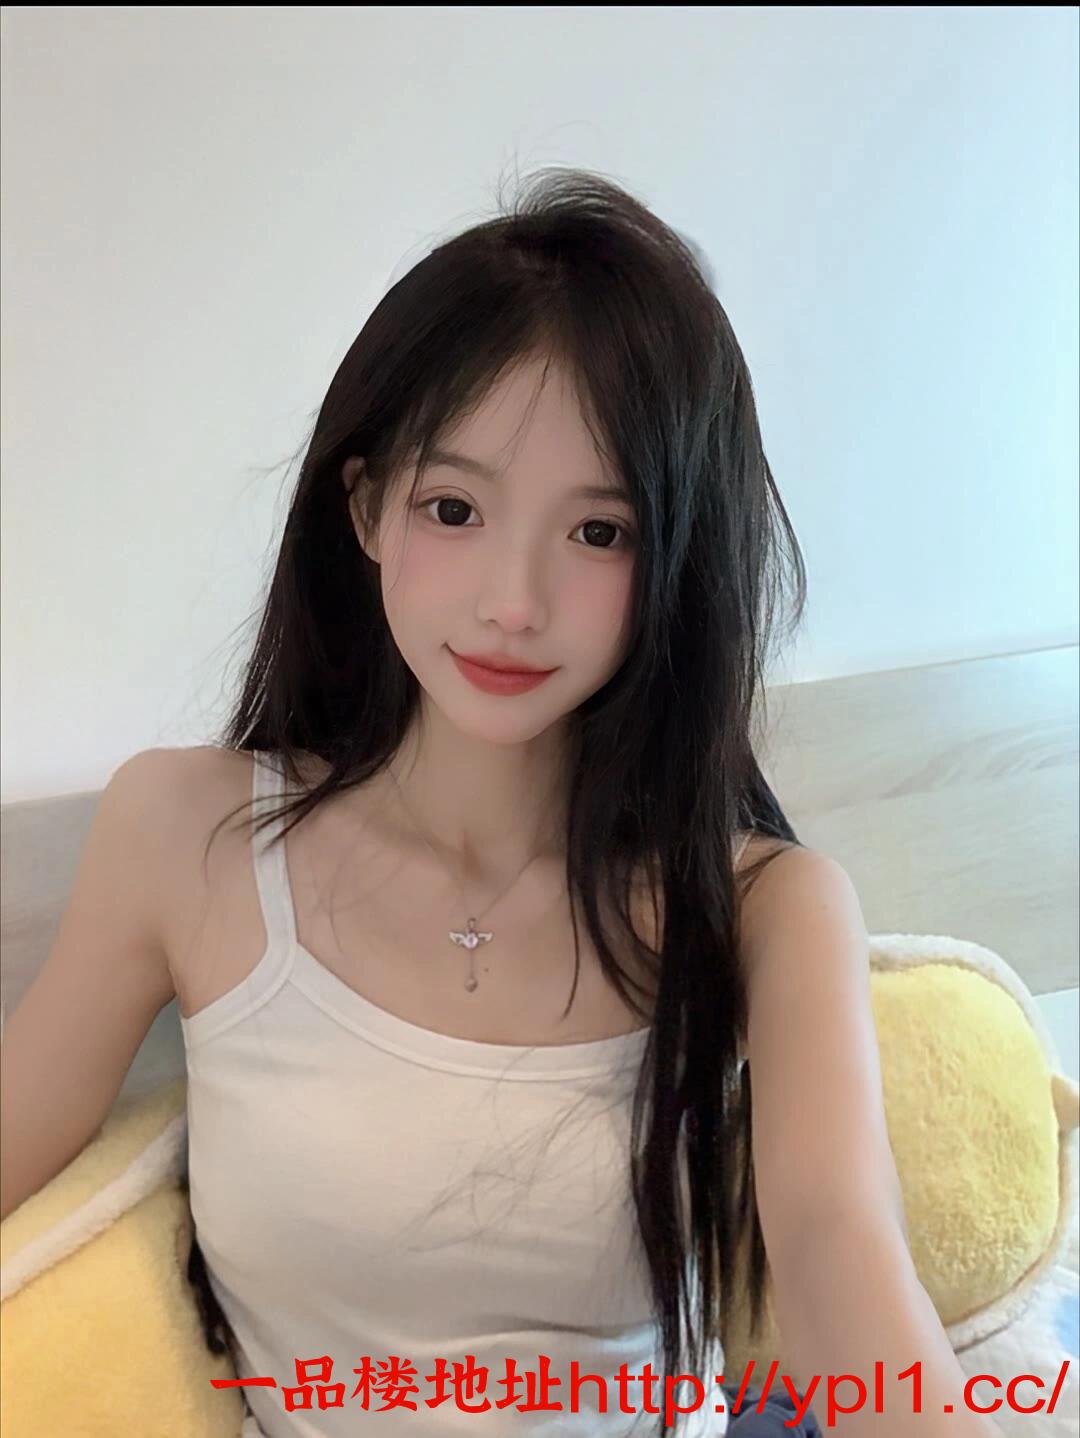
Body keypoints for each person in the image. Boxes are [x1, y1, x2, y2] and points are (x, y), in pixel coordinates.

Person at [1, 166, 1005, 1438]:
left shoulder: (765, 905)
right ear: (367, 508)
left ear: (678, 558)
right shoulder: (182, 835)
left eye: (600, 533)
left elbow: (834, 1251)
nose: (513, 603)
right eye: (455, 508)